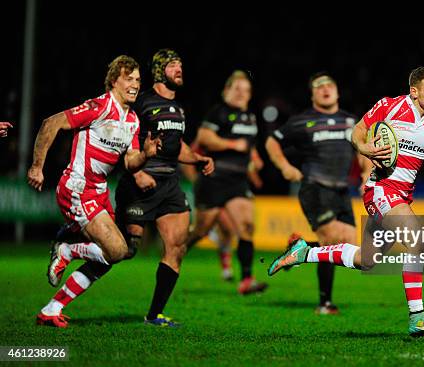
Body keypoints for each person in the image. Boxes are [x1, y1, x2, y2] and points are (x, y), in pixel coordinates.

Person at [268, 66, 424, 336]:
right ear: (414, 92)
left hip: (403, 194)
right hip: (381, 189)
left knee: (366, 260)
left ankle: (303, 253)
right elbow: (357, 132)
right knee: (417, 238)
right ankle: (417, 316)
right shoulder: (390, 107)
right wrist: (365, 147)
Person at [27, 55, 161, 328]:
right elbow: (50, 124)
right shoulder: (99, 107)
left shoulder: (132, 120)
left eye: (138, 79)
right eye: (129, 78)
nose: (135, 84)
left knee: (110, 258)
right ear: (114, 81)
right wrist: (36, 167)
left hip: (98, 193)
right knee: (116, 250)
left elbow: (130, 160)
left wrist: (146, 155)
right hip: (77, 188)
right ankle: (66, 251)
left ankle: (52, 308)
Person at [113, 49, 214, 327]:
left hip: (169, 184)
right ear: (159, 71)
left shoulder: (178, 108)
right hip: (140, 183)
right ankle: (73, 245)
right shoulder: (141, 102)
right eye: (172, 65)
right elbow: (123, 140)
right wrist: (139, 173)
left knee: (177, 246)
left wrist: (198, 158)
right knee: (125, 249)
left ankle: (154, 315)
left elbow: (176, 144)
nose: (179, 69)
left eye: (181, 64)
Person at [265, 71, 371, 314]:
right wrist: (285, 167)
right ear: (312, 94)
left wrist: (366, 175)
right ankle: (325, 303)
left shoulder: (350, 121)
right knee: (331, 241)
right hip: (315, 187)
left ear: (337, 91)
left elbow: (362, 150)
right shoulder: (302, 121)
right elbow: (272, 141)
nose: (325, 89)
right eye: (319, 86)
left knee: (349, 248)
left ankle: (300, 250)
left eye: (329, 85)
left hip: (341, 190)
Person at [186, 70, 267, 295]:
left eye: (246, 90)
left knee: (246, 227)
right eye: (237, 89)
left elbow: (248, 145)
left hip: (238, 182)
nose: (241, 94)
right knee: (202, 230)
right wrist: (232, 145)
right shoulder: (218, 112)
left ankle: (247, 280)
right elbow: (204, 138)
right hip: (214, 179)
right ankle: (175, 255)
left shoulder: (250, 117)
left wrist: (254, 158)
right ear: (226, 91)